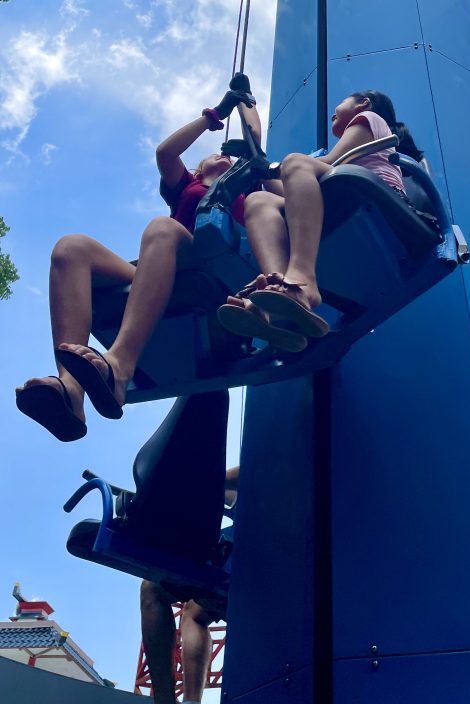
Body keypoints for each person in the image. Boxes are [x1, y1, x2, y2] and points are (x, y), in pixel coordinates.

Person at [15, 76, 260, 441]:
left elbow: (256, 145)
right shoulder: (187, 187)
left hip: (212, 262)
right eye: (214, 155)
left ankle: (119, 366)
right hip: (164, 260)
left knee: (162, 229)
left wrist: (247, 102)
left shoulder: (247, 187)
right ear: (197, 169)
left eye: (227, 157)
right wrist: (215, 114)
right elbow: (165, 153)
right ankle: (71, 392)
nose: (223, 156)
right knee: (71, 248)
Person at [218, 90, 424, 350]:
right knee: (258, 201)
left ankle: (303, 281)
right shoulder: (352, 141)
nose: (332, 113)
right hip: (342, 195)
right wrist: (256, 164)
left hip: (373, 195)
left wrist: (274, 167)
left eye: (342, 101)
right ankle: (276, 288)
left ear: (364, 103)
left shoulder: (370, 119)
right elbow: (292, 195)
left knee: (296, 161)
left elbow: (325, 165)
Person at [139, 467, 238, 704]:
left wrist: (204, 477)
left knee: (152, 588)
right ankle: (191, 701)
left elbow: (248, 471)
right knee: (193, 613)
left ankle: (165, 699)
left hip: (252, 558)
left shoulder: (270, 459)